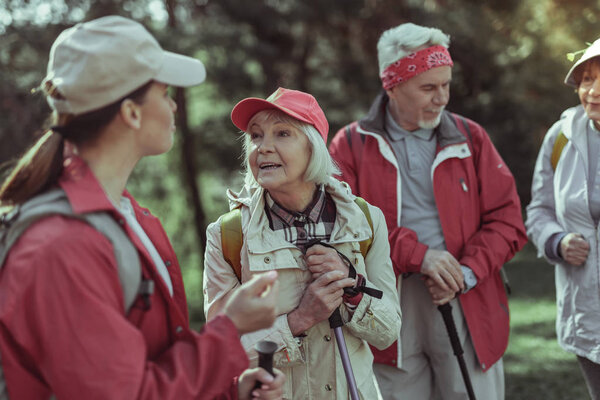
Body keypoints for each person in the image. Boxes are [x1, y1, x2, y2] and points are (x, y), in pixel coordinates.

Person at [0, 16, 285, 400]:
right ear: (131, 113)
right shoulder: (62, 247)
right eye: (165, 93)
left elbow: (147, 367)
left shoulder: (130, 217)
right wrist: (230, 331)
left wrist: (229, 391)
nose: (173, 106)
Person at [329, 23, 527, 400]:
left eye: (446, 85)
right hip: (385, 299)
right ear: (392, 85)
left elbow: (508, 220)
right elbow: (344, 223)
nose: (442, 98)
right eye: (428, 87)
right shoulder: (350, 144)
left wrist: (465, 272)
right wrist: (420, 257)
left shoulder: (471, 138)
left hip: (463, 293)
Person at [203, 87, 401, 399]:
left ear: (314, 147)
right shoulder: (227, 235)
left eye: (282, 134)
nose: (263, 148)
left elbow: (388, 333)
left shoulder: (365, 220)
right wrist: (299, 320)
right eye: (256, 136)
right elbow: (218, 352)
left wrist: (352, 287)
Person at [526, 38, 600, 400]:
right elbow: (539, 209)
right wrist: (557, 241)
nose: (594, 91)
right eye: (587, 79)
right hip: (586, 312)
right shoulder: (562, 137)